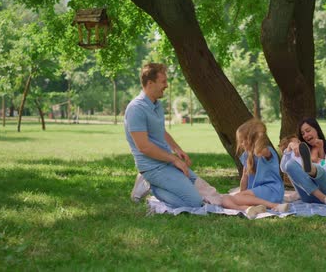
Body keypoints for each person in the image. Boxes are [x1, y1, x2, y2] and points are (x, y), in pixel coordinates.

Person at [124, 63, 203, 208]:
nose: (166, 85)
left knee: (202, 193)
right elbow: (144, 147)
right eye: (163, 82)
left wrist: (177, 149)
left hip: (164, 161)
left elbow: (161, 131)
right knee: (195, 203)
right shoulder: (136, 109)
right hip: (152, 167)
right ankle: (151, 186)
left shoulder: (156, 105)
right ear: (150, 83)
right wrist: (174, 160)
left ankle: (154, 184)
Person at [221, 118, 290, 218]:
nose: (241, 144)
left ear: (252, 138)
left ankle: (276, 206)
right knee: (225, 200)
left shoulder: (265, 152)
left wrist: (259, 135)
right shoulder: (246, 156)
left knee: (235, 198)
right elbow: (244, 179)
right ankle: (247, 209)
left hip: (272, 191)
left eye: (243, 140)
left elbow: (259, 150)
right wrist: (241, 196)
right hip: (255, 195)